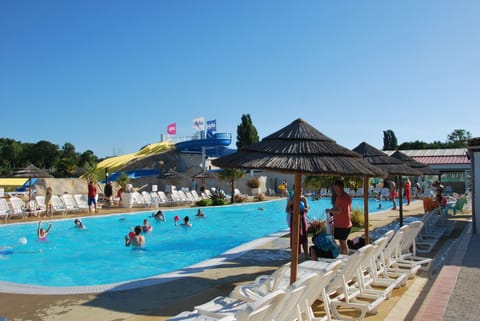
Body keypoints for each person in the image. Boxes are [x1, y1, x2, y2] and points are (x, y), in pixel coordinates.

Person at [326, 180, 352, 255]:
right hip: (348, 223)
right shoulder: (347, 196)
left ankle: (345, 259)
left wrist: (329, 211)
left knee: (342, 243)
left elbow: (338, 211)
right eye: (335, 189)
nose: (336, 191)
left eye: (337, 189)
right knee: (344, 242)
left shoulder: (340, 198)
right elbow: (349, 209)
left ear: (342, 188)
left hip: (342, 225)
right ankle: (345, 257)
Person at [285, 187, 309, 257]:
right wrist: (293, 211)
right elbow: (286, 210)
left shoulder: (303, 199)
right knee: (295, 236)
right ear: (294, 191)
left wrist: (303, 208)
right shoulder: (291, 200)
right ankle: (296, 255)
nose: (300, 192)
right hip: (295, 220)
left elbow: (307, 210)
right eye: (299, 191)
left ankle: (306, 254)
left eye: (301, 191)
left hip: (302, 218)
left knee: (304, 236)